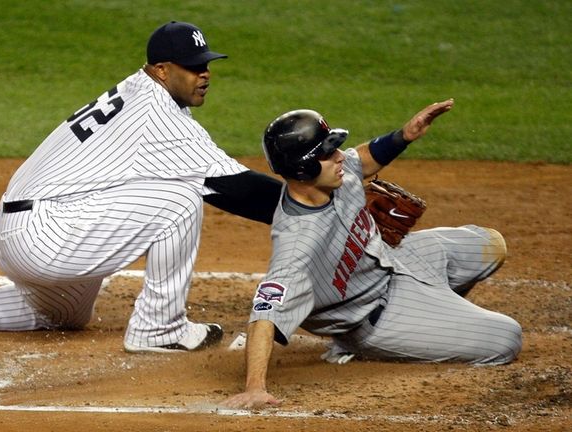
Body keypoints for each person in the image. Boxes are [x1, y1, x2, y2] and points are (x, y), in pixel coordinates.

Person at [0, 21, 283, 353]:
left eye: (207, 64)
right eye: (193, 67)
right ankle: (159, 328)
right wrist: (316, 202)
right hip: (47, 235)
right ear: (160, 70)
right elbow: (236, 189)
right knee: (182, 198)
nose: (204, 74)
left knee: (63, 314)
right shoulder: (158, 115)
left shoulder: (136, 91)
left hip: (21, 230)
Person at [221, 100, 522, 409]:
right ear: (304, 168)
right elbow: (265, 314)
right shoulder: (297, 243)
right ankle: (384, 343)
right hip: (375, 317)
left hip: (396, 261)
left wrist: (404, 135)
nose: (339, 156)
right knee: (506, 339)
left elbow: (362, 159)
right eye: (328, 153)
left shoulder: (335, 174)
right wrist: (254, 388)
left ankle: (439, 313)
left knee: (487, 244)